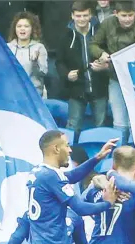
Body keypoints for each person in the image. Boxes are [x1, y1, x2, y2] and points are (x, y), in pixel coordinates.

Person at [90, 0, 135, 144]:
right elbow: (93, 44)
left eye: (130, 15)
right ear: (116, 14)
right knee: (119, 119)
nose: (127, 19)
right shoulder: (107, 24)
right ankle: (120, 150)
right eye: (123, 16)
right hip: (115, 78)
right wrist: (101, 53)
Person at [56, 1, 108, 141]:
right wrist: (66, 75)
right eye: (78, 16)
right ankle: (69, 157)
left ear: (90, 15)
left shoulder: (99, 31)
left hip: (99, 86)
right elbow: (59, 62)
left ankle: (102, 157)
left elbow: (109, 53)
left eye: (85, 15)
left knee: (101, 127)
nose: (82, 19)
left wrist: (105, 66)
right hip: (76, 88)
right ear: (72, 16)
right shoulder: (65, 36)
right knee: (73, 127)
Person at [7, 11, 48, 97]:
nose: (22, 29)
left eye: (26, 26)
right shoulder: (8, 47)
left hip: (33, 94)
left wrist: (35, 63)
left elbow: (44, 72)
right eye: (19, 26)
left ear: (32, 29)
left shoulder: (39, 47)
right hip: (12, 94)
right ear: (15, 29)